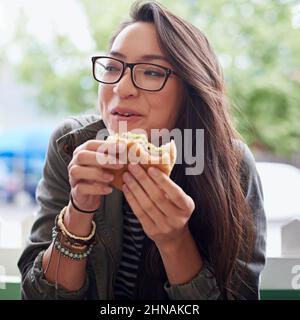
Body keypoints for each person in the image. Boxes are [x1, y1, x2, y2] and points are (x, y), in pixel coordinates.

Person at [18, 0, 266, 300]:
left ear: (191, 86)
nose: (122, 88)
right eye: (112, 67)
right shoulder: (71, 145)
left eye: (150, 72)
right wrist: (79, 212)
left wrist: (174, 241)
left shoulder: (231, 164)